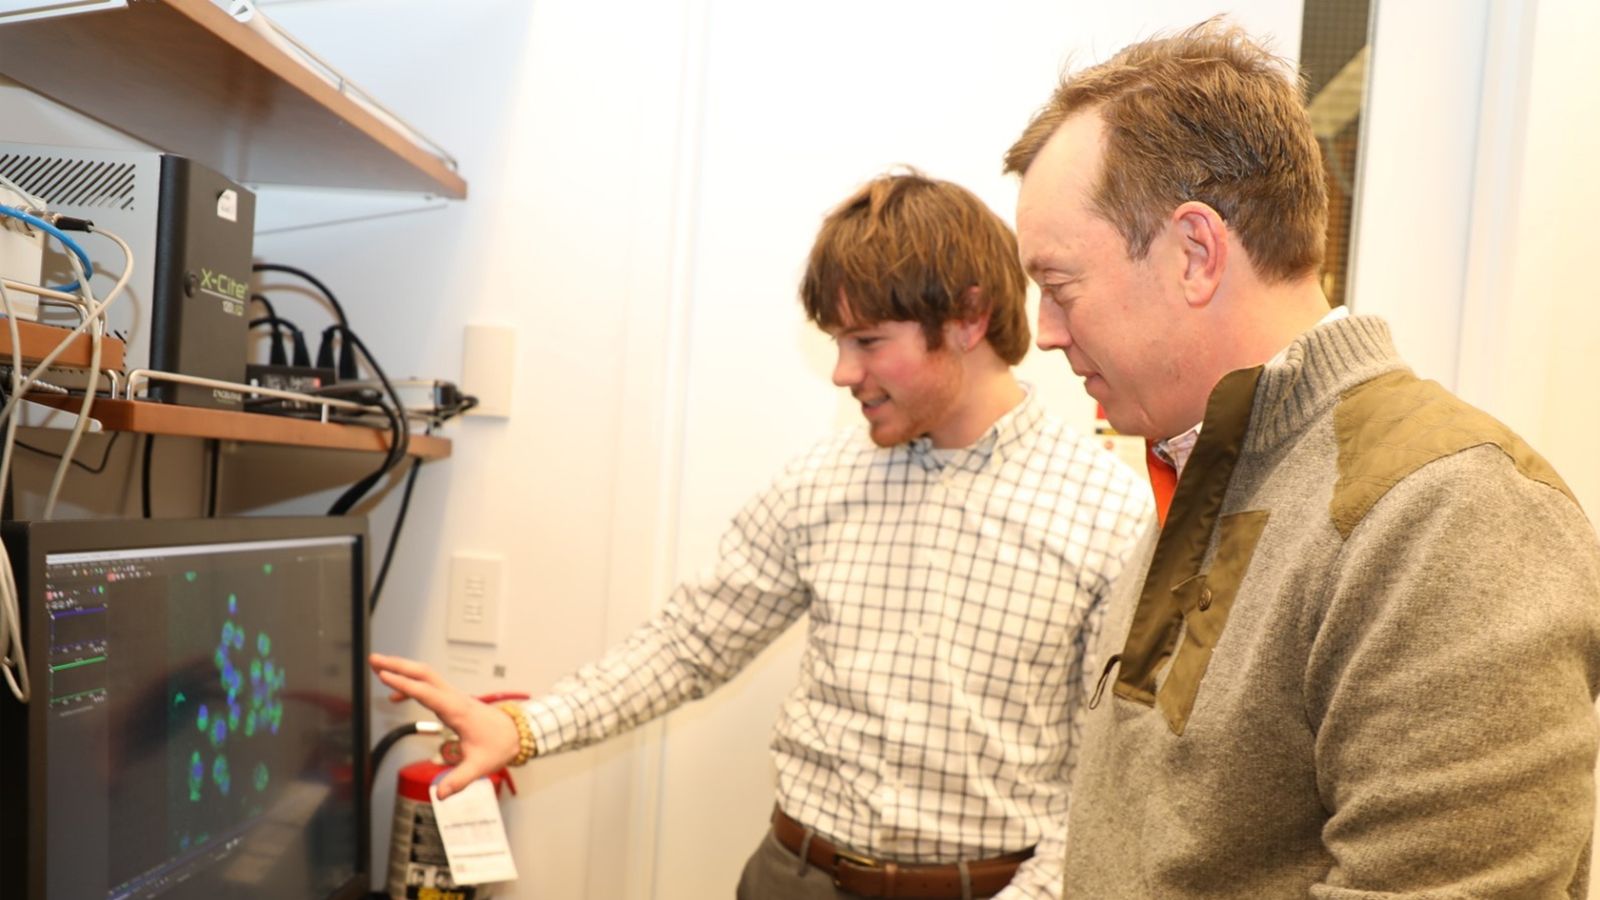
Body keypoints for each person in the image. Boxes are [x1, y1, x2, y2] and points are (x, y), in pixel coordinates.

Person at [371, 171, 1152, 899]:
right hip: (794, 877)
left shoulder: (1108, 515)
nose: (844, 373)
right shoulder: (822, 481)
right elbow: (691, 644)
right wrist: (523, 728)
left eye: (868, 341)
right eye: (838, 342)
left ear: (969, 317)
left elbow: (1109, 782)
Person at [1003, 18, 1600, 898]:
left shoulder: (1451, 512)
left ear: (1195, 253)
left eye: (1058, 287)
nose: (1044, 335)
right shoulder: (1210, 469)